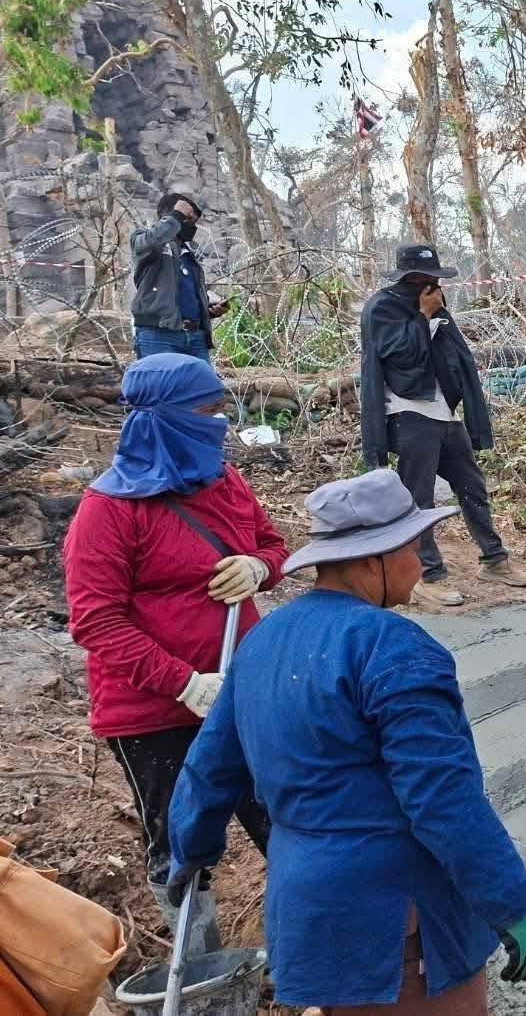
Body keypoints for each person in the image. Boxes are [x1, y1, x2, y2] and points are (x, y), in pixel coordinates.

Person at [167, 468, 526, 1013]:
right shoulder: (394, 649)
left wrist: (191, 849)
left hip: (310, 910)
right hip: (395, 918)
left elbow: (210, 767)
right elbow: (441, 799)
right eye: (414, 549)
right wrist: (511, 901)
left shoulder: (263, 640)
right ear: (374, 560)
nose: (421, 565)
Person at [62, 353, 283, 952]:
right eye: (206, 411)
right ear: (165, 418)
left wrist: (260, 566)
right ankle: (202, 969)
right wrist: (185, 683)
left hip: (242, 694)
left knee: (280, 816)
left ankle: (305, 946)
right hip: (151, 716)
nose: (220, 425)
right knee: (179, 840)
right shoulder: (107, 511)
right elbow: (96, 620)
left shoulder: (226, 481)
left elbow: (273, 543)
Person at [360, 244, 526, 607]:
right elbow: (400, 356)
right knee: (418, 500)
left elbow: (455, 358)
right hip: (408, 413)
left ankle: (494, 559)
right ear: (409, 278)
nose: (432, 285)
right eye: (425, 279)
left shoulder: (436, 306)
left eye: (435, 279)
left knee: (472, 486)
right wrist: (422, 317)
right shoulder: (382, 307)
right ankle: (428, 575)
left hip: (443, 413)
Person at [130, 192, 228, 361]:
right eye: (188, 219)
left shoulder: (189, 256)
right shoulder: (146, 242)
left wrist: (208, 310)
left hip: (195, 338)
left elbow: (179, 299)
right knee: (163, 387)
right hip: (158, 336)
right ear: (170, 216)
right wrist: (176, 215)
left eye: (194, 222)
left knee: (204, 387)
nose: (192, 226)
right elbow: (147, 243)